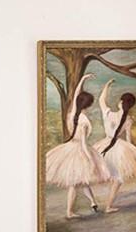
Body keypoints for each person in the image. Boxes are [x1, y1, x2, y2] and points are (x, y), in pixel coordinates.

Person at [43, 73, 110, 219]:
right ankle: (69, 212)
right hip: (79, 150)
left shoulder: (73, 113)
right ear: (89, 105)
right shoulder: (84, 121)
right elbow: (85, 145)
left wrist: (83, 79)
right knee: (75, 183)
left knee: (82, 179)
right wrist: (91, 160)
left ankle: (93, 202)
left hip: (69, 147)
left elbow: (75, 96)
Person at [98, 80, 136, 212]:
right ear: (130, 106)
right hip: (119, 147)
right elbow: (128, 138)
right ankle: (108, 206)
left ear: (120, 102)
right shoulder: (128, 119)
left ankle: (97, 202)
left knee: (104, 171)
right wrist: (133, 154)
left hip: (106, 144)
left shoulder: (109, 114)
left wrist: (107, 85)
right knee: (118, 179)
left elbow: (101, 100)